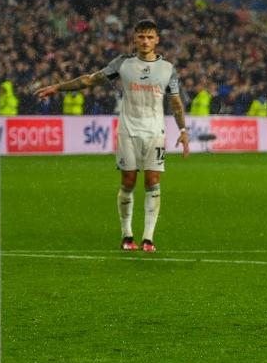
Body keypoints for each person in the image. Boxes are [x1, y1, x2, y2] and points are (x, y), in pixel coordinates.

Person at [34, 19, 189, 252]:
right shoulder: (123, 63)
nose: (145, 41)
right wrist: (58, 87)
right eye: (141, 37)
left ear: (157, 40)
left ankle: (148, 238)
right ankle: (127, 235)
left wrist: (183, 130)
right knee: (128, 181)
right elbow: (89, 79)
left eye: (149, 37)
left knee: (152, 181)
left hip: (155, 132)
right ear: (134, 38)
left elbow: (176, 101)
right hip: (128, 130)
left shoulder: (167, 68)